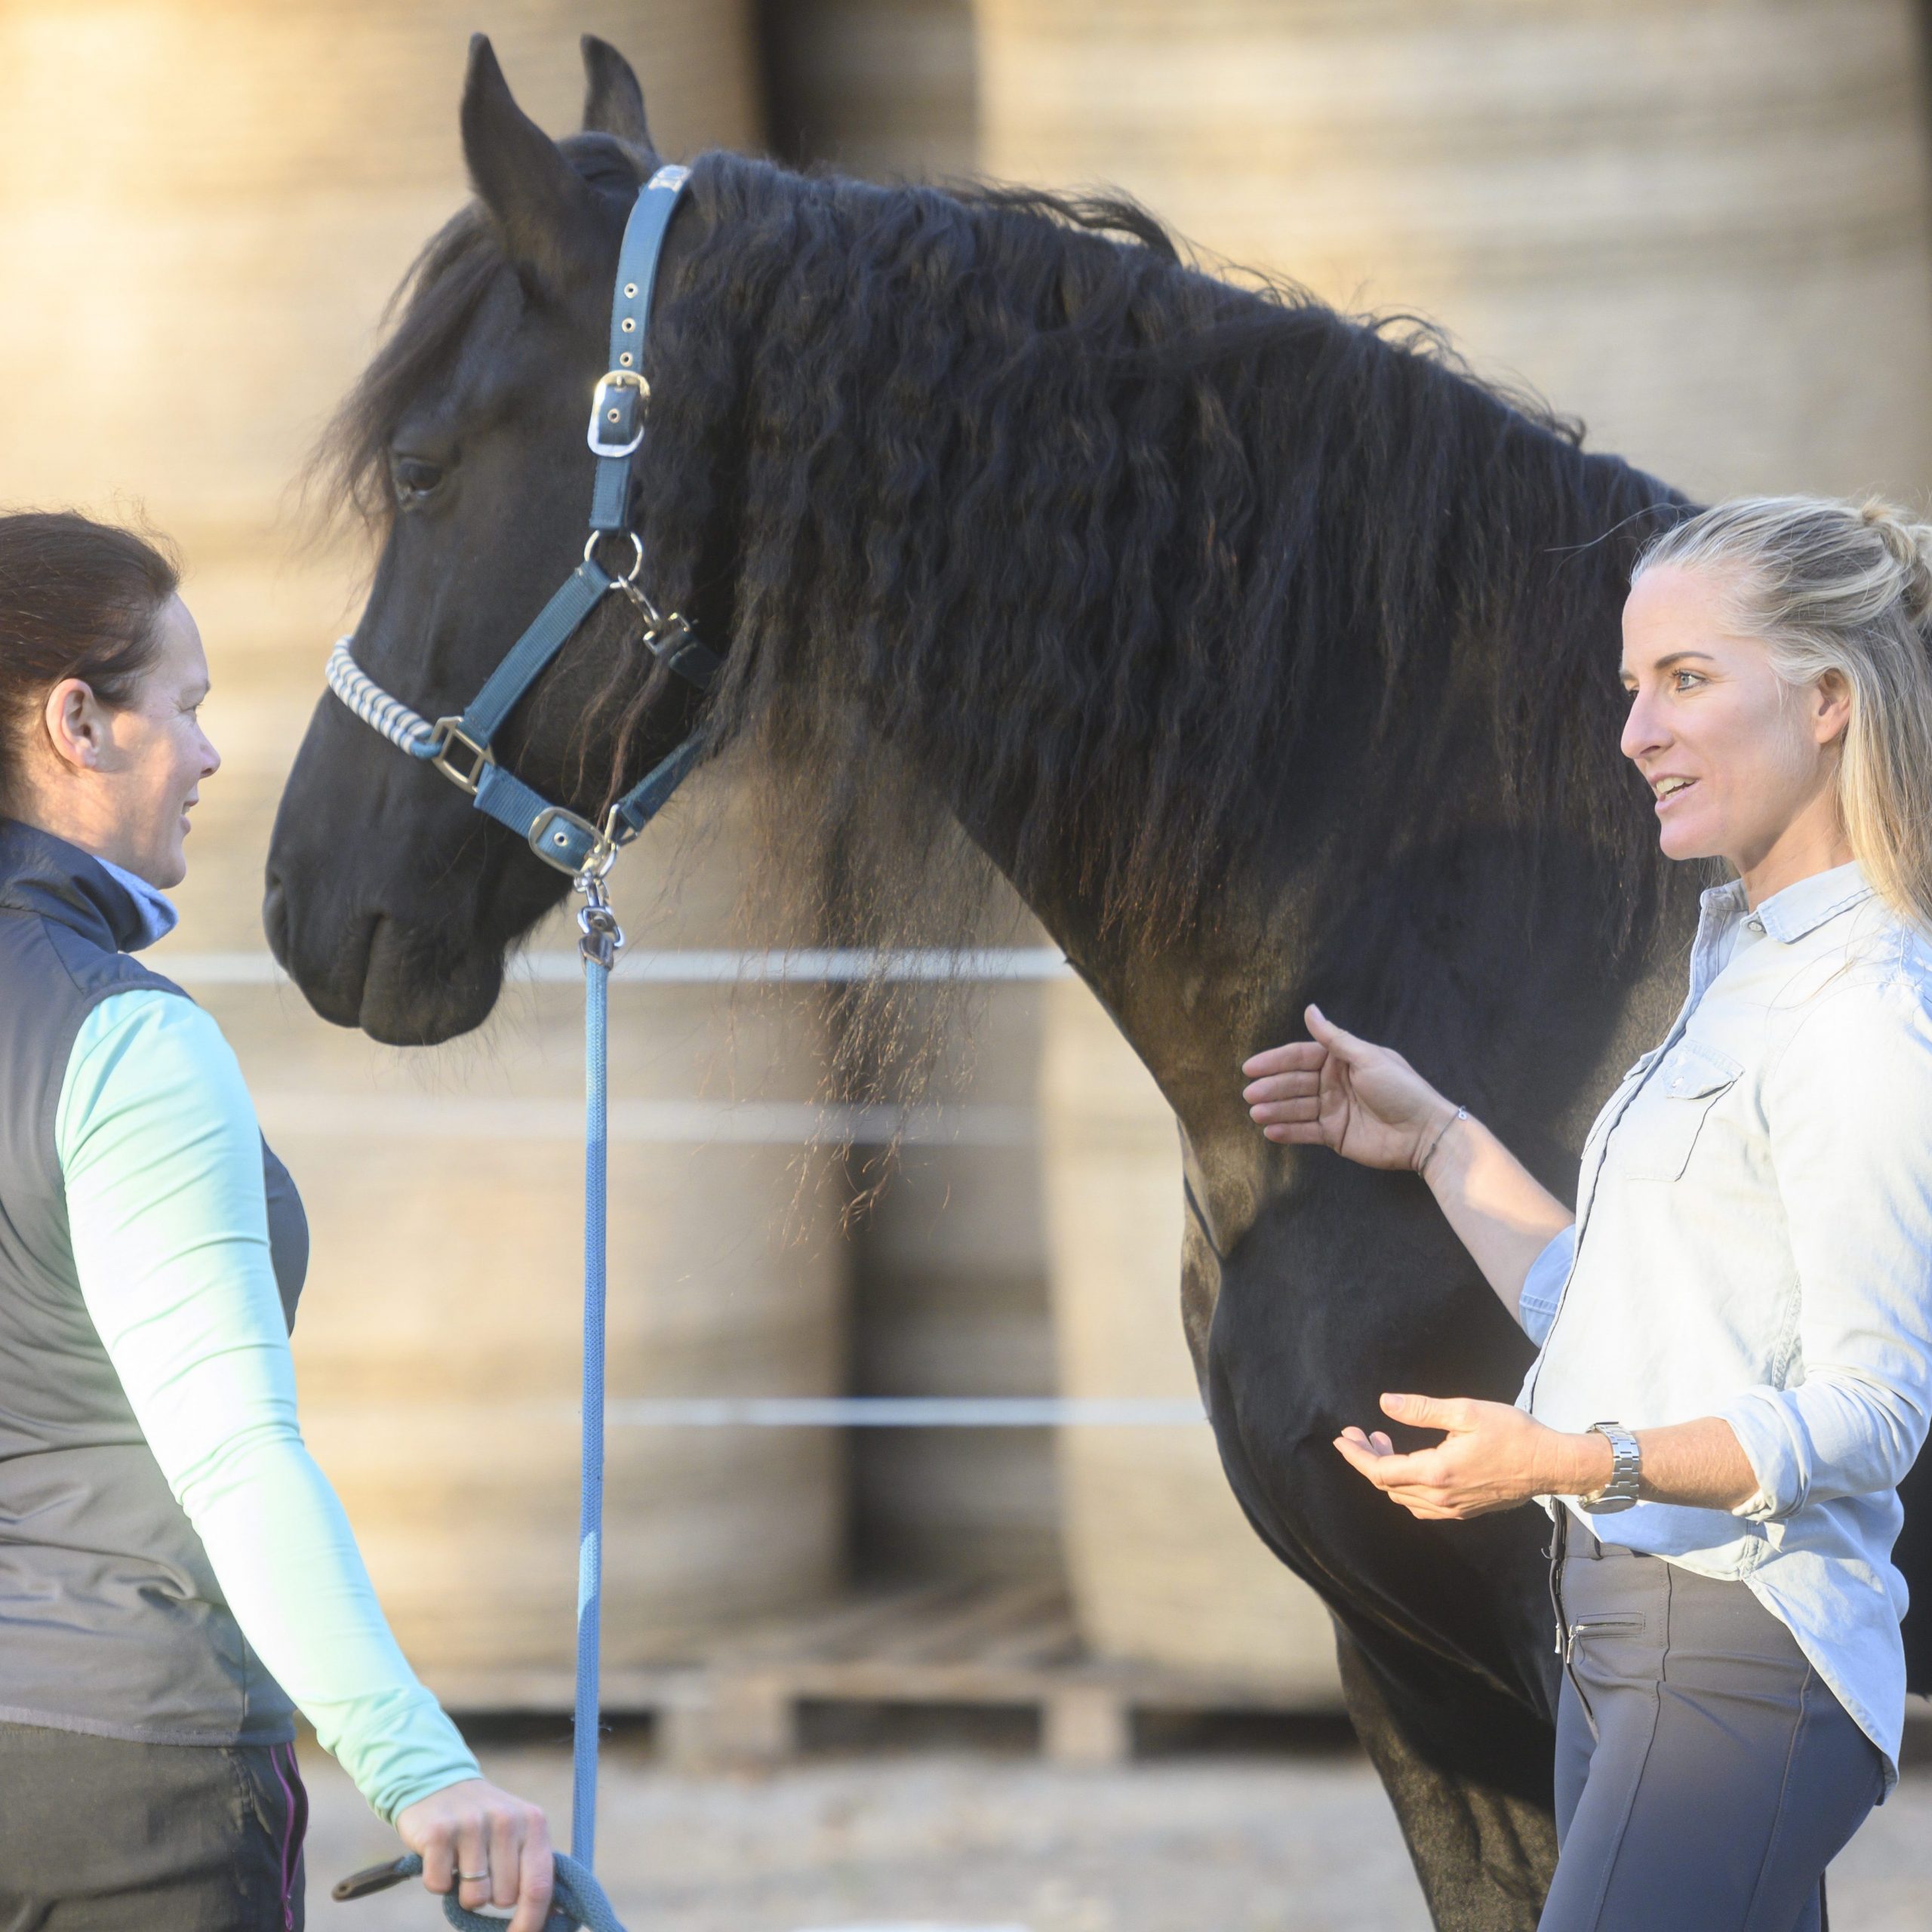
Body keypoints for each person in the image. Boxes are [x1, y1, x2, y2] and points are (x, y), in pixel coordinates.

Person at [1241, 494, 1932, 1931]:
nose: (1636, 734)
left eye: (1686, 680)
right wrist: (1436, 1141)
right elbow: (1628, 1319)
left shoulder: (1860, 1012)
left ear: (1824, 700)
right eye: (1633, 690)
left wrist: (1574, 1455)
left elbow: (1877, 1411)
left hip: (1739, 1655)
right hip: (1621, 1638)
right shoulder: (1738, 970)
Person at [0, 511, 554, 1930]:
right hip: (116, 1789)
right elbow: (233, 1453)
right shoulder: (123, 1044)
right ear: (79, 722)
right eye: (183, 709)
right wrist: (426, 1776)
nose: (208, 755)